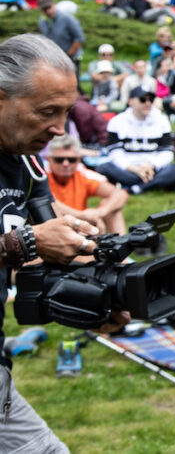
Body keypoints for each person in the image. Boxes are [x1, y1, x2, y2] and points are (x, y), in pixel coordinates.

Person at [0, 34, 112, 452]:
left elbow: (53, 257)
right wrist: (23, 244)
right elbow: (29, 243)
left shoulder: (26, 163)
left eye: (66, 111)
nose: (59, 129)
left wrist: (100, 300)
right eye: (47, 112)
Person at [94, 86, 175, 194]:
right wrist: (136, 169)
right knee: (104, 168)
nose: (147, 103)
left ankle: (138, 188)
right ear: (131, 101)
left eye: (151, 100)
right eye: (142, 100)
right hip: (129, 169)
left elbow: (167, 152)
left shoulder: (162, 120)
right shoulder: (117, 122)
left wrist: (151, 165)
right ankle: (155, 184)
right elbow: (115, 154)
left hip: (154, 169)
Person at [47, 124, 128, 236]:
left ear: (79, 160)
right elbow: (50, 203)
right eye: (59, 159)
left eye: (71, 160)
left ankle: (121, 248)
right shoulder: (41, 175)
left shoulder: (82, 174)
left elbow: (120, 194)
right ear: (49, 159)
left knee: (112, 207)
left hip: (84, 226)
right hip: (54, 227)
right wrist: (82, 215)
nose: (65, 164)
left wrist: (99, 212)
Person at [37, 0, 84, 81]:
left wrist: (68, 56)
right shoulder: (42, 21)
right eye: (44, 9)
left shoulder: (67, 18)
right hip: (54, 59)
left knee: (73, 83)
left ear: (53, 5)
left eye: (49, 8)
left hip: (71, 57)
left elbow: (79, 38)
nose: (47, 11)